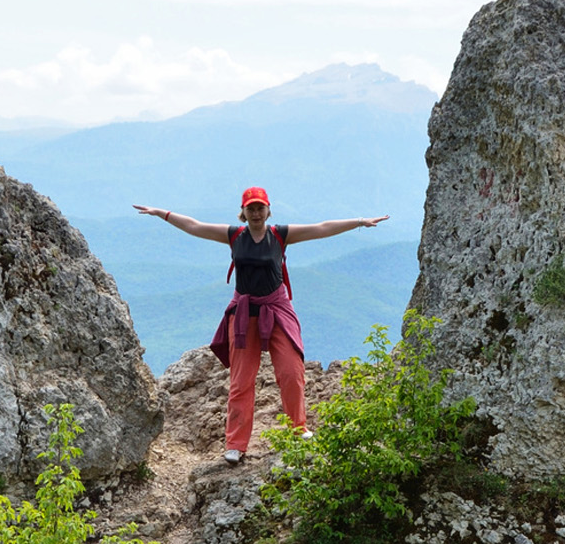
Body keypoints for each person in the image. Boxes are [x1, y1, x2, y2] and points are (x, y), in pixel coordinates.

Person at [134, 188, 388, 463]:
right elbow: (195, 226)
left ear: (268, 210)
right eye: (251, 208)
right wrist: (162, 214)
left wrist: (360, 222)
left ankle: (298, 428)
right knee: (241, 381)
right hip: (244, 314)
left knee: (292, 371)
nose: (256, 213)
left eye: (260, 208)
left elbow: (321, 228)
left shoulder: (280, 235)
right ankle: (236, 444)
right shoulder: (234, 236)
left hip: (277, 308)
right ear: (243, 212)